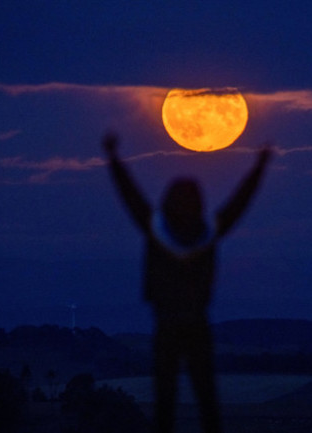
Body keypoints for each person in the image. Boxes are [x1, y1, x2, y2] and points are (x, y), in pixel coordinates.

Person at [102, 133, 271, 433]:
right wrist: (259, 166)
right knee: (203, 400)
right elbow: (238, 204)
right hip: (192, 323)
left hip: (170, 323)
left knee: (170, 401)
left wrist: (114, 158)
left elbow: (132, 198)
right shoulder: (207, 233)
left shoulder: (158, 231)